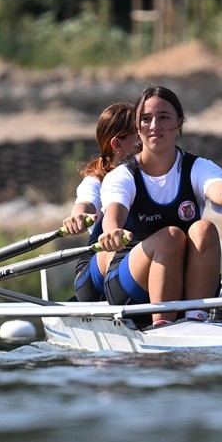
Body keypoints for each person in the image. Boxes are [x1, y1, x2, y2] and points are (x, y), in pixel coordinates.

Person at [95, 85, 222, 327]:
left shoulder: (198, 167)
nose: (154, 125)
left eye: (163, 117)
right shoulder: (122, 176)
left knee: (205, 229)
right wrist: (111, 230)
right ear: (137, 128)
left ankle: (195, 318)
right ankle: (163, 325)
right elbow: (114, 214)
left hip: (181, 285)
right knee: (170, 237)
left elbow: (217, 187)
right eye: (146, 119)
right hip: (130, 288)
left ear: (179, 123)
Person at [62, 101, 140, 301]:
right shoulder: (96, 181)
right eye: (138, 134)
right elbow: (85, 203)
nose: (147, 138)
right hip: (93, 276)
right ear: (117, 144)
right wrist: (77, 216)